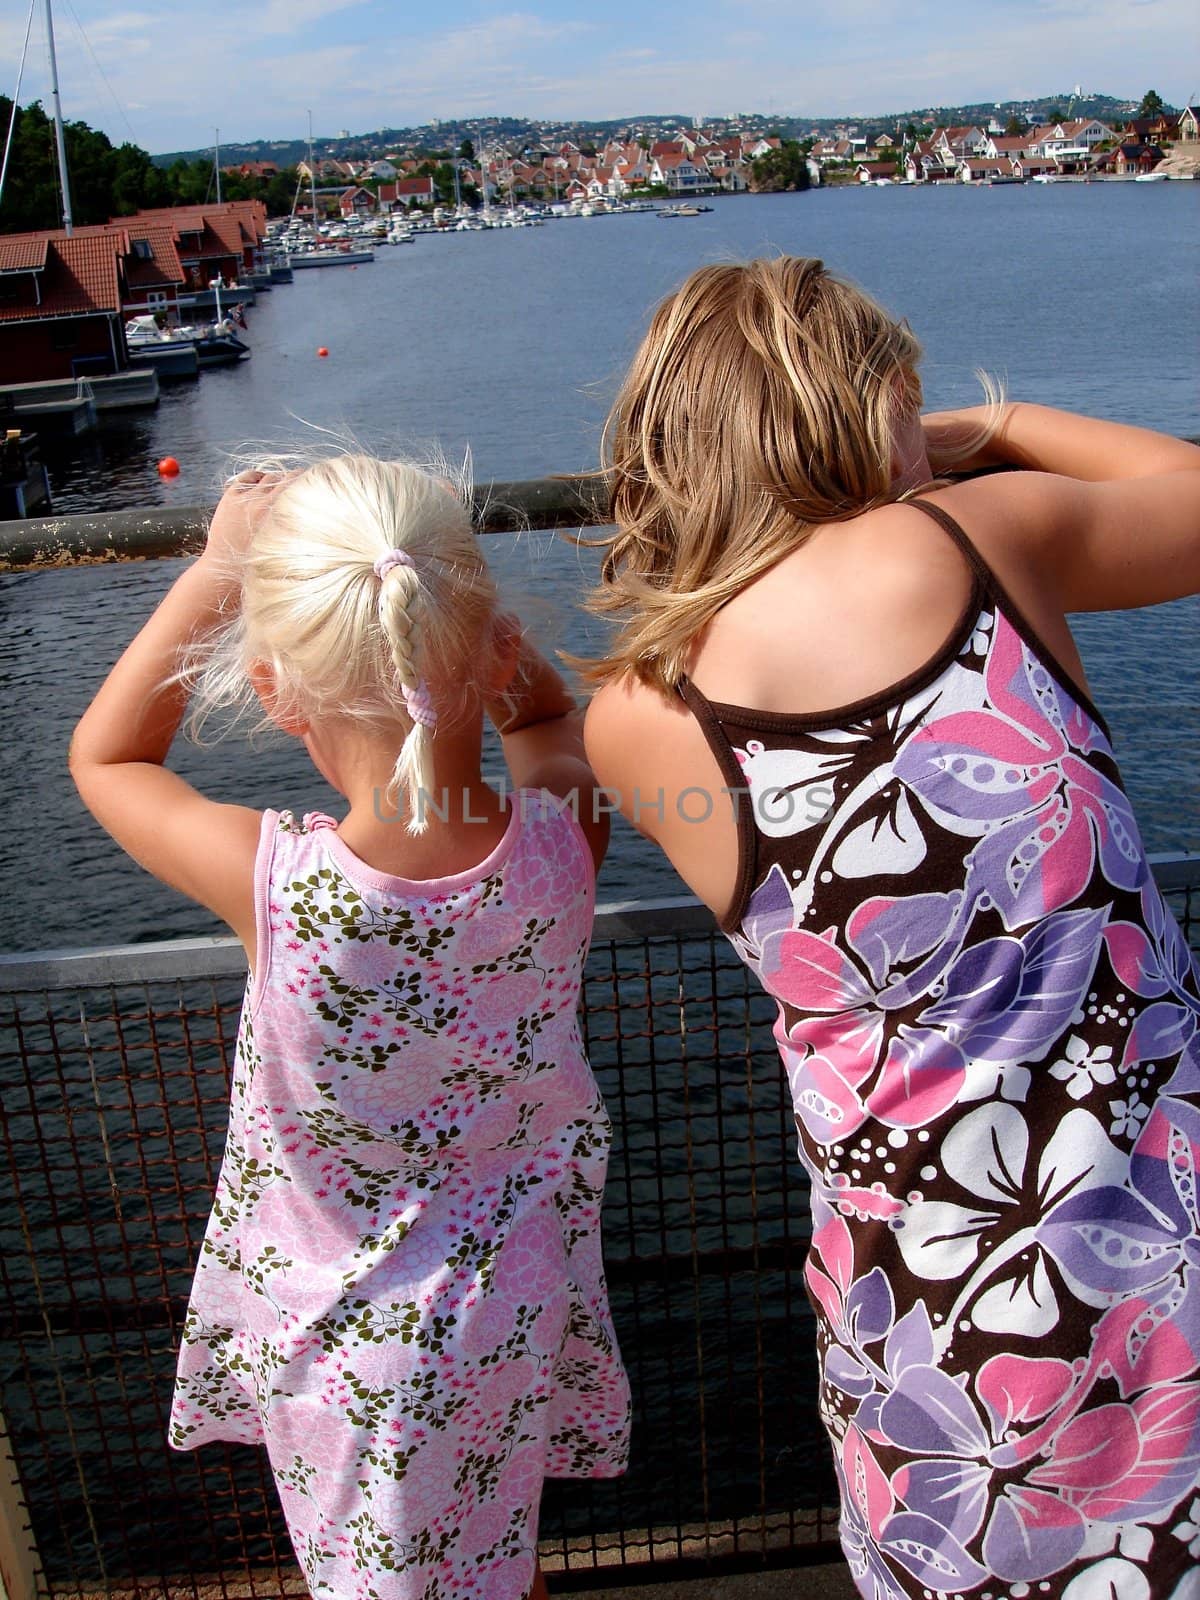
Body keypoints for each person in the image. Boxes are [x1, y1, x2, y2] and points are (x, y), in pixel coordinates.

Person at [582, 257, 1200, 1599]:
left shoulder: (639, 718)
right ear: (872, 402)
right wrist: (995, 425)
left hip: (919, 1321)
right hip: (1162, 1247)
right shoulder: (977, 538)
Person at [70, 454, 631, 1600]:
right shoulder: (565, 839)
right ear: (492, 646)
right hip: (512, 1306)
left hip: (345, 1354)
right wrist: (468, 636)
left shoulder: (274, 881)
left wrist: (220, 564)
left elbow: (108, 756)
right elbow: (552, 720)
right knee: (496, 1557)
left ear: (277, 693)